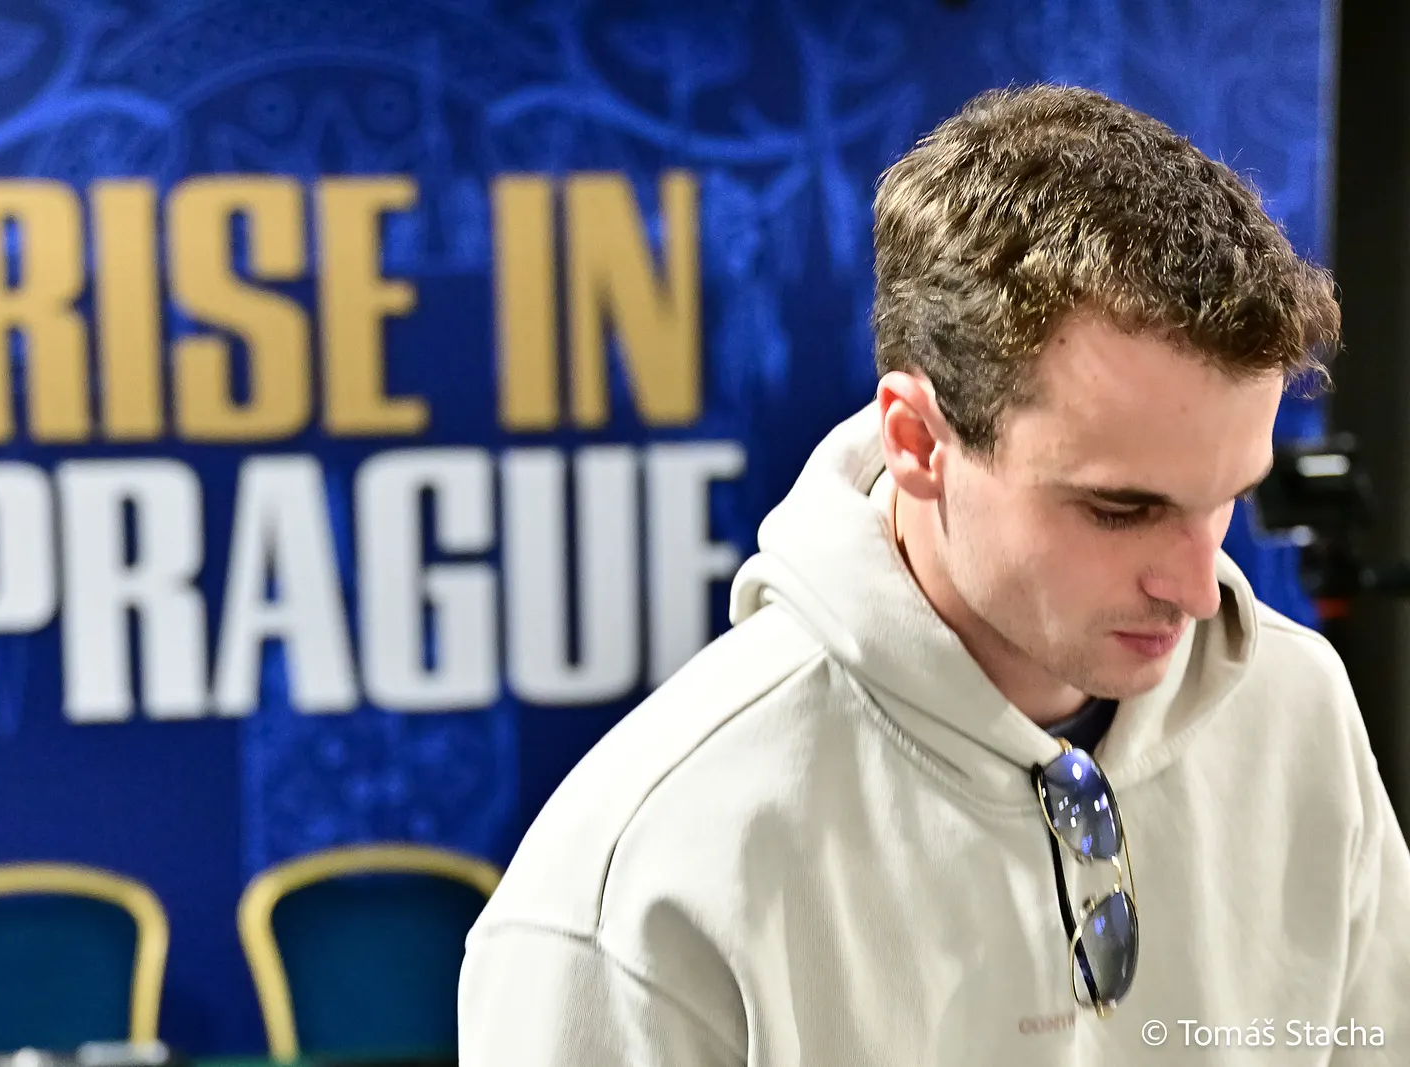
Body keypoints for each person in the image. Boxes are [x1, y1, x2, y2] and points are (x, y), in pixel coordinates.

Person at [457, 84, 1410, 1064]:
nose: (1197, 589)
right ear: (916, 440)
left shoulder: (1297, 707)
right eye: (1120, 509)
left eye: (1225, 499)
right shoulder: (641, 876)